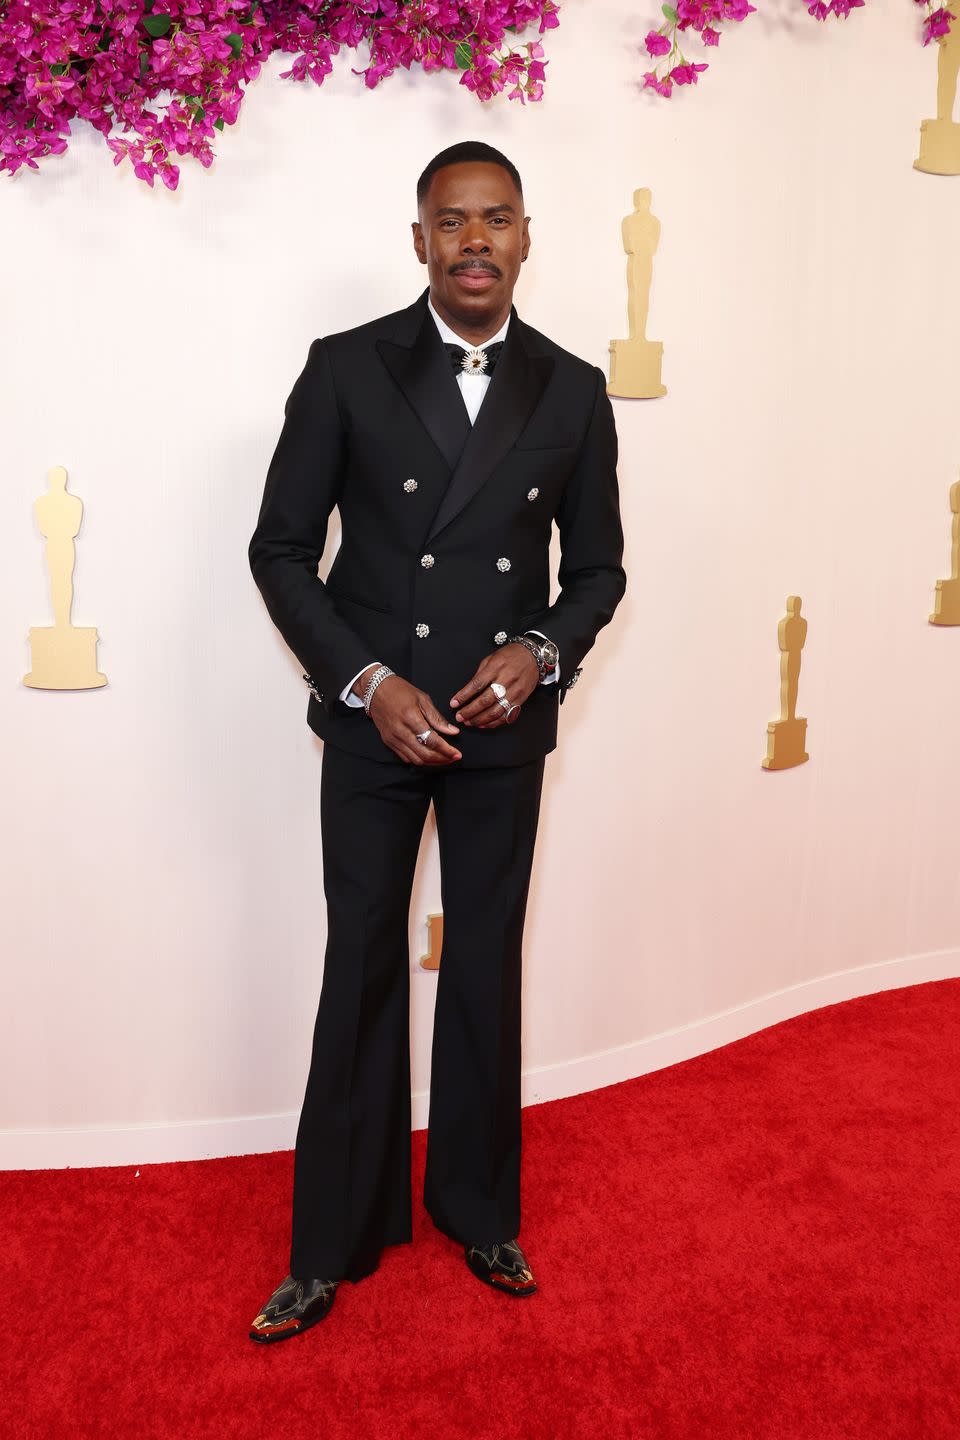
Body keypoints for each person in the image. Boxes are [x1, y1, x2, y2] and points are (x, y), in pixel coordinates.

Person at [246, 140, 626, 1343]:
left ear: (526, 236)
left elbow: (601, 567)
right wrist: (365, 679)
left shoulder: (570, 388)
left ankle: (480, 1211)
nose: (474, 241)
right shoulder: (347, 367)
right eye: (451, 221)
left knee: (485, 963)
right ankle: (330, 1243)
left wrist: (538, 653)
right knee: (358, 958)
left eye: (496, 219)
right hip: (376, 719)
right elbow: (281, 550)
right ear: (419, 241)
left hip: (498, 726)